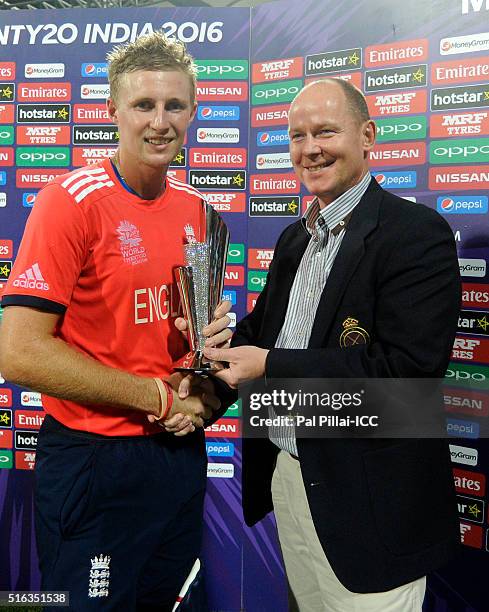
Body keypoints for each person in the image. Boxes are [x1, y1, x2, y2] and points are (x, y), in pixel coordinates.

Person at [205, 79, 461, 611]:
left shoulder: (415, 233)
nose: (310, 148)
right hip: (291, 477)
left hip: (371, 501)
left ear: (367, 136)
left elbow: (406, 375)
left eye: (325, 131)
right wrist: (214, 350)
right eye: (297, 136)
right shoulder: (295, 237)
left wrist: (269, 365)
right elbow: (265, 331)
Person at [0, 32, 233, 612]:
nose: (160, 121)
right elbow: (19, 352)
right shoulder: (70, 201)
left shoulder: (199, 210)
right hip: (93, 461)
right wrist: (155, 397)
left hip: (178, 455)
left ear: (194, 111)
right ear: (111, 110)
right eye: (143, 105)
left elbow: (195, 337)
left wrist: (198, 391)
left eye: (174, 105)